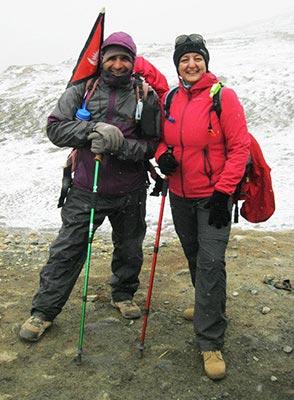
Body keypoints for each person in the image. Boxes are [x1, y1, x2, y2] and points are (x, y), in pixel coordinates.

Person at [19, 31, 163, 342]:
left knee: (129, 248)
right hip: (86, 187)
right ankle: (44, 311)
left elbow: (152, 145)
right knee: (66, 251)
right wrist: (93, 129)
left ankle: (123, 294)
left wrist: (120, 145)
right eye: (112, 57)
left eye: (125, 58)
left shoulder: (145, 95)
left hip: (130, 190)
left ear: (133, 61)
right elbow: (55, 128)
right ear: (102, 60)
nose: (118, 64)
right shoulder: (82, 88)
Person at [136, 34, 251, 380]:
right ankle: (208, 306)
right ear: (178, 65)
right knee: (194, 256)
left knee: (212, 261)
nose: (191, 64)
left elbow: (240, 147)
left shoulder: (223, 98)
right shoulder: (170, 97)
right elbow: (158, 141)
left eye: (197, 59)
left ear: (206, 62)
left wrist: (224, 192)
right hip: (180, 195)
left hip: (214, 197)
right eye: (184, 60)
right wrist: (163, 158)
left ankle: (210, 340)